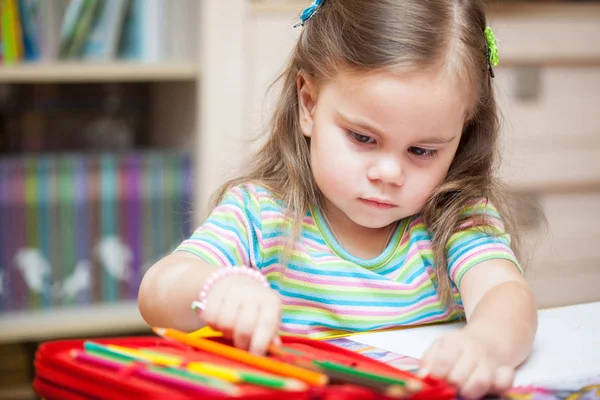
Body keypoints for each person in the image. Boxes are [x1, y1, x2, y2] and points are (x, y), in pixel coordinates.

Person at [139, 1, 538, 398]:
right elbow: (157, 291)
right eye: (363, 138)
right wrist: (215, 286)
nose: (389, 173)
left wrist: (486, 345)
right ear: (309, 104)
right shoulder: (261, 214)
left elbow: (505, 296)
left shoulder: (456, 219)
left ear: (461, 135)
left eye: (422, 151)